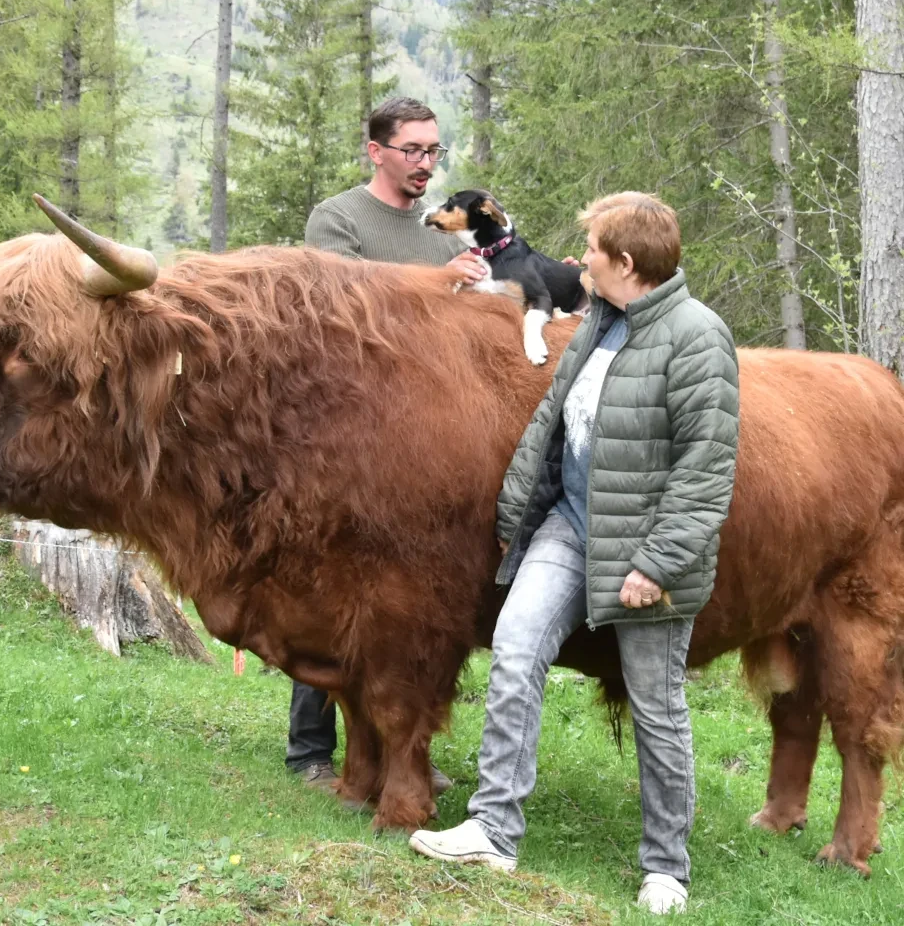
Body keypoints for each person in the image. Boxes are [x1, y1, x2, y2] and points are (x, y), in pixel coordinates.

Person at [409, 192, 740, 915]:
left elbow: (706, 471)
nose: (576, 259)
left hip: (648, 548)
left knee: (656, 706)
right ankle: (494, 830)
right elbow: (553, 425)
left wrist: (656, 565)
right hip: (571, 523)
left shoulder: (696, 337)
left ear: (624, 262)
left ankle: (666, 868)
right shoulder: (598, 320)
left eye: (590, 249)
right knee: (516, 649)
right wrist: (515, 511)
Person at [289, 96, 487, 799]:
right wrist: (439, 283)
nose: (425, 164)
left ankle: (407, 746)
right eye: (412, 150)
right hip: (341, 436)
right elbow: (340, 303)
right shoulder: (337, 218)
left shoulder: (444, 234)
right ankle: (311, 750)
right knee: (332, 592)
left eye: (434, 151)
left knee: (410, 604)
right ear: (375, 151)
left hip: (422, 439)